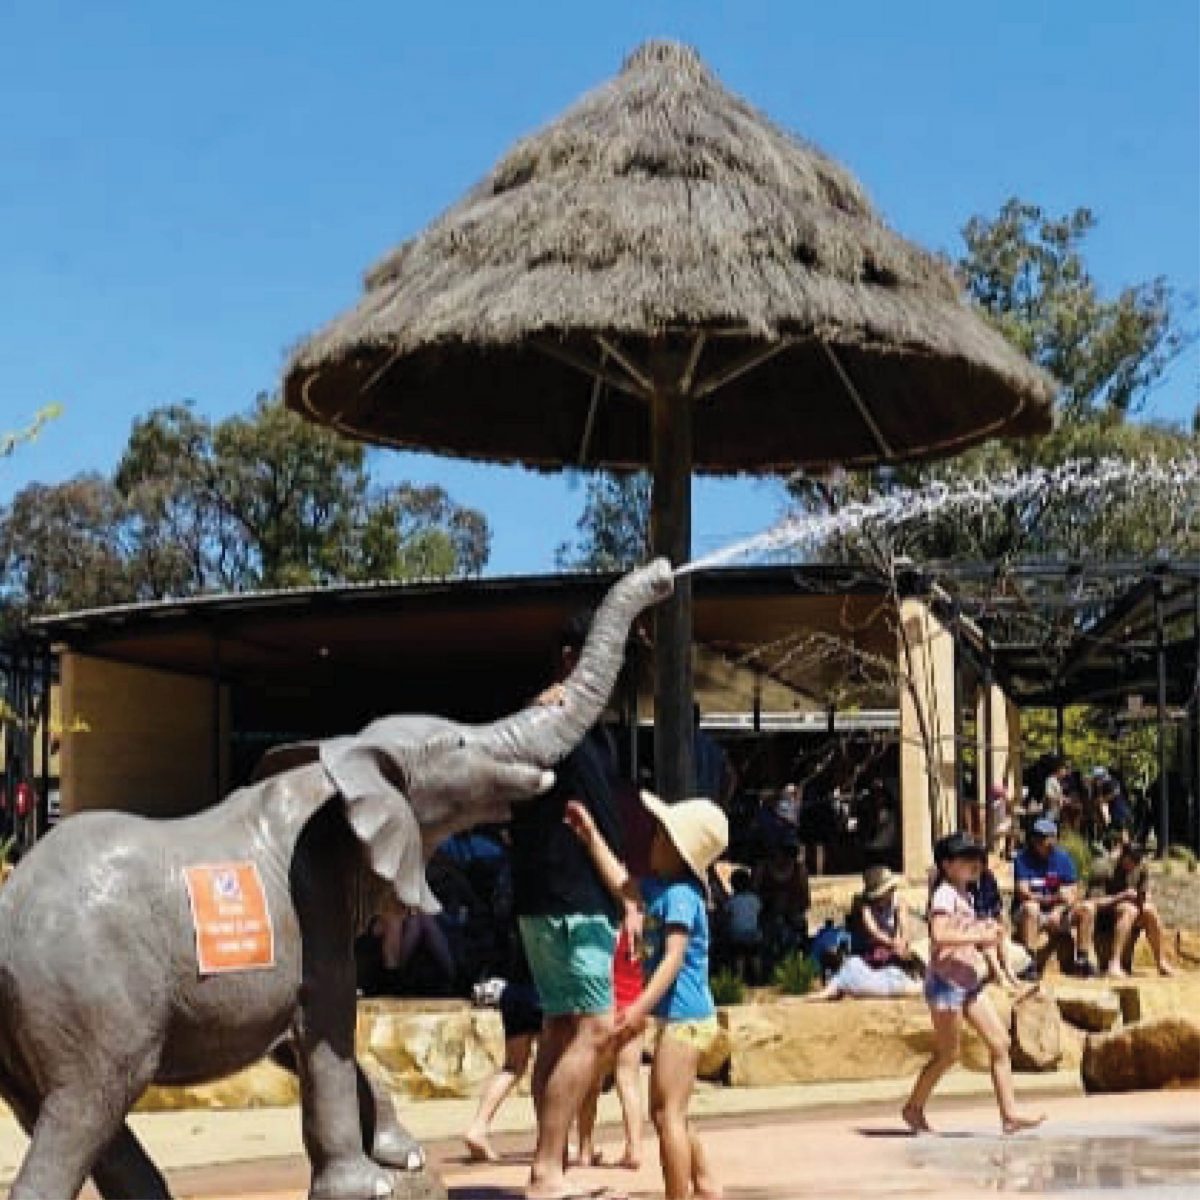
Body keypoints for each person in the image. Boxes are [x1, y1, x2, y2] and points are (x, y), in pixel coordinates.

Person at [507, 612, 636, 1200]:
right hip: (571, 899)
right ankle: (545, 1169)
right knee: (594, 1029)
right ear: (569, 658)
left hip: (556, 898)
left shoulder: (578, 725)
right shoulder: (552, 719)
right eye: (599, 654)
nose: (612, 667)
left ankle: (551, 1163)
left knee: (561, 1029)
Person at [565, 791, 729, 1200]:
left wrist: (638, 1008)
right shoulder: (662, 889)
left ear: (678, 851)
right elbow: (622, 884)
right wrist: (591, 837)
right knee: (674, 1109)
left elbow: (673, 958)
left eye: (660, 836)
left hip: (686, 1021)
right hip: (683, 1020)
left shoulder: (680, 897)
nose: (653, 842)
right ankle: (706, 1184)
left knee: (666, 1113)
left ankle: (679, 1194)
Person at [903, 833, 1045, 1136]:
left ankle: (1009, 1114)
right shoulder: (943, 895)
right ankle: (913, 1108)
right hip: (946, 985)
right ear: (947, 865)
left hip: (968, 982)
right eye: (966, 859)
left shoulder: (965, 895)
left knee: (1000, 1043)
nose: (974, 864)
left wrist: (986, 930)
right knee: (948, 1054)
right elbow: (939, 936)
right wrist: (980, 935)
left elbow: (964, 932)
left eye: (976, 858)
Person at [465, 939, 544, 1163]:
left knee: (512, 1066)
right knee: (548, 1065)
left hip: (514, 991)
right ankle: (551, 1137)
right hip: (542, 991)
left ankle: (478, 1126)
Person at [575, 926, 646, 1171]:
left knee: (591, 1086)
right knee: (629, 1081)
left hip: (605, 1008)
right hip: (635, 1005)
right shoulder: (639, 930)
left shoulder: (602, 928)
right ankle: (634, 1148)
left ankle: (585, 1148)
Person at [1012, 818, 1096, 978]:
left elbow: (1072, 892)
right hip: (1030, 913)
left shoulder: (1063, 859)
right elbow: (1023, 892)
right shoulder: (1022, 859)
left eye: (1048, 837)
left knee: (1087, 908)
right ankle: (1029, 963)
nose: (1043, 842)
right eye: (1040, 837)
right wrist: (1053, 899)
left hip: (1058, 911)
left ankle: (1082, 961)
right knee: (1031, 907)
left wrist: (1059, 909)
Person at [1088, 843, 1176, 978]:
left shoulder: (1141, 867)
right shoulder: (1104, 867)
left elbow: (1143, 893)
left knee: (1150, 910)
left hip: (1128, 912)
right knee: (1129, 910)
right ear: (1122, 856)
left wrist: (1143, 898)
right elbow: (1093, 902)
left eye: (1137, 860)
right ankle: (1114, 963)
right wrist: (1122, 896)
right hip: (1104, 915)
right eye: (1131, 860)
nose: (1134, 864)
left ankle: (1161, 961)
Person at [855, 866, 910, 968]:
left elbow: (903, 925)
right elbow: (874, 930)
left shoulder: (899, 901)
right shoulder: (865, 905)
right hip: (874, 942)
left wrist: (901, 941)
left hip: (894, 942)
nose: (892, 890)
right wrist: (891, 942)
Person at [724, 867, 764, 983]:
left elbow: (727, 914)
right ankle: (758, 977)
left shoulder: (732, 901)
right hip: (753, 932)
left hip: (738, 933)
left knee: (739, 956)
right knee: (755, 956)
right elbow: (759, 913)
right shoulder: (754, 899)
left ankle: (739, 978)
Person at [693, 704, 736, 808]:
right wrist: (724, 802)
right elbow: (732, 776)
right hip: (711, 808)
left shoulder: (682, 747)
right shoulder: (714, 746)